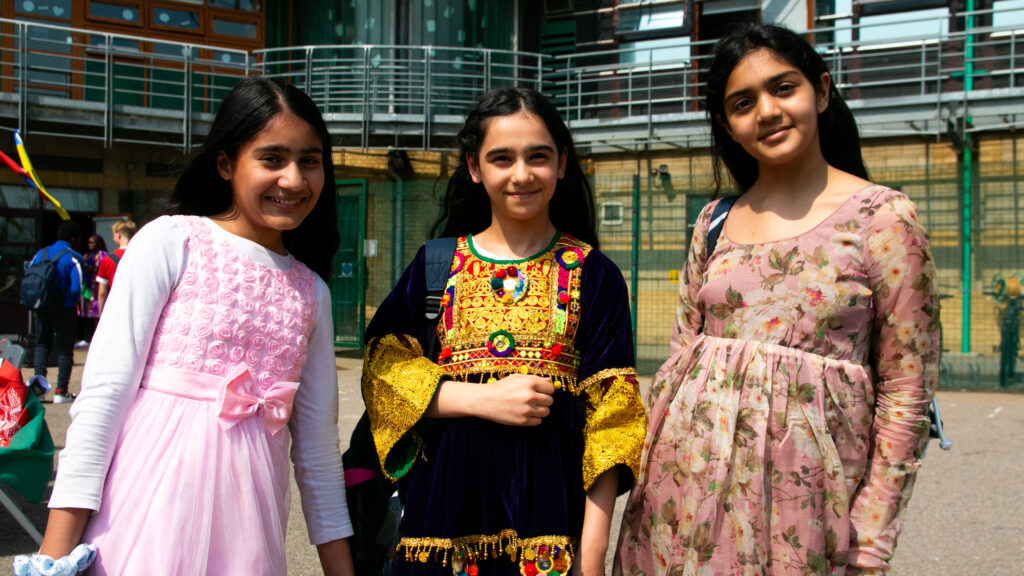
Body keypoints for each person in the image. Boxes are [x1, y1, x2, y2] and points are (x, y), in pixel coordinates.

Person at [614, 24, 941, 575]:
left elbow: (908, 387)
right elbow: (679, 357)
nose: (767, 111)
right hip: (677, 505)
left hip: (805, 513)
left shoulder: (883, 217)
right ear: (726, 124)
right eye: (743, 102)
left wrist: (873, 536)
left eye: (783, 88)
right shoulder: (712, 222)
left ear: (822, 90)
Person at [26, 77, 355, 576]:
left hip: (250, 543)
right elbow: (103, 401)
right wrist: (52, 558)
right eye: (271, 158)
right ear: (225, 164)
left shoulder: (313, 293)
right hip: (144, 523)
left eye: (309, 160)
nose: (294, 179)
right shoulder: (170, 241)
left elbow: (317, 452)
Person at [362, 87, 647, 576]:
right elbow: (381, 369)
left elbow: (614, 417)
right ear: (475, 168)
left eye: (538, 156)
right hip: (438, 530)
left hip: (552, 533)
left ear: (562, 164)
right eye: (501, 158)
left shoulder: (595, 274)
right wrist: (475, 400)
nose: (521, 174)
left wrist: (593, 554)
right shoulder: (436, 264)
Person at [28, 220, 84, 404]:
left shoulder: (40, 254)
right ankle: (61, 391)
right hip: (65, 308)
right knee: (64, 348)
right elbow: (77, 288)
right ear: (74, 238)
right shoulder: (73, 257)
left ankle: (37, 390)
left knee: (41, 343)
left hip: (41, 305)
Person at [94, 218, 136, 317]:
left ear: (118, 235)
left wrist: (101, 315)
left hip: (115, 308)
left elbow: (102, 293)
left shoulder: (107, 259)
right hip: (136, 307)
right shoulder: (142, 256)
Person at [76, 233, 108, 345]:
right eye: (89, 242)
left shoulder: (103, 255)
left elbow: (102, 270)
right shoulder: (86, 256)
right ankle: (86, 338)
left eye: (92, 242)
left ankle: (97, 338)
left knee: (97, 313)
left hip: (97, 288)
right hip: (87, 288)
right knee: (86, 314)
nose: (90, 245)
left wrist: (92, 269)